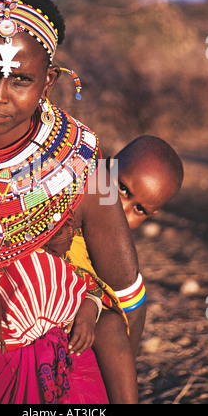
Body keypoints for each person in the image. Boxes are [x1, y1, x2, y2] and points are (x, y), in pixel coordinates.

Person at [0, 0, 143, 404]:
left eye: (21, 79)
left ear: (48, 82)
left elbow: (128, 298)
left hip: (65, 380)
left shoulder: (91, 168)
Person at [65, 135, 183, 402]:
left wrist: (91, 306)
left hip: (81, 328)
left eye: (139, 209)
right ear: (106, 168)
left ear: (151, 215)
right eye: (122, 189)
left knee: (112, 326)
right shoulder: (70, 205)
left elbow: (123, 307)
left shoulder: (117, 257)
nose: (123, 208)